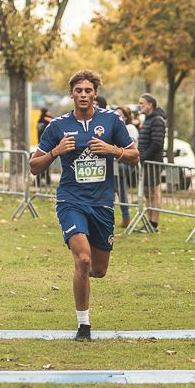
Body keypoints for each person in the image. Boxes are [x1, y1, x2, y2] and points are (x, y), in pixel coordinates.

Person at [31, 70, 138, 341]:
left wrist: (112, 150)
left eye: (88, 91)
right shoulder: (57, 126)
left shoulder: (111, 121)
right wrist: (56, 152)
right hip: (71, 200)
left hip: (102, 204)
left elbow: (135, 156)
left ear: (95, 94)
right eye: (78, 91)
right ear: (71, 95)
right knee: (83, 259)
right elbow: (34, 166)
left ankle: (83, 276)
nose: (83, 95)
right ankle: (83, 326)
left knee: (98, 270)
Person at [137, 93, 167, 232]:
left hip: (153, 162)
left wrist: (144, 157)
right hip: (146, 162)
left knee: (154, 193)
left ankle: (154, 223)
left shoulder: (157, 120)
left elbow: (157, 143)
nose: (140, 106)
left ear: (150, 105)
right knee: (148, 193)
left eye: (142, 103)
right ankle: (149, 222)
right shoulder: (148, 119)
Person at [34, 108, 53, 186]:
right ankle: (47, 180)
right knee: (46, 163)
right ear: (47, 112)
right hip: (47, 145)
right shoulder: (48, 120)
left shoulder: (39, 121)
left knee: (41, 163)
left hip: (40, 144)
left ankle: (38, 181)